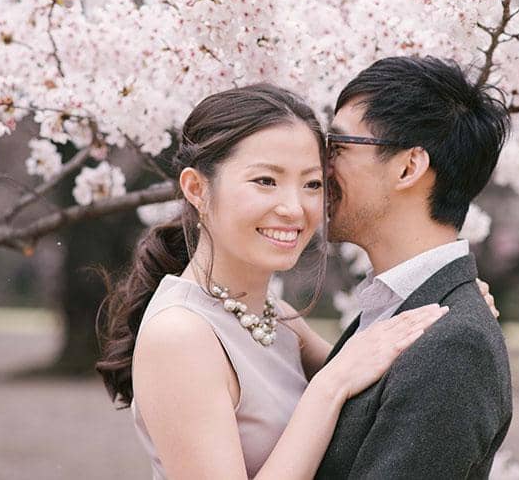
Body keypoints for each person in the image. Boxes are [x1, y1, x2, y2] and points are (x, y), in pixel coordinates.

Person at [96, 84, 451, 479]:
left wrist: (447, 303)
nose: (293, 208)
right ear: (197, 188)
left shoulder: (276, 317)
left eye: (312, 184)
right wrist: (327, 389)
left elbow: (374, 375)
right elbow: (341, 378)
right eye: (266, 181)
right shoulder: (180, 334)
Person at [314, 55, 514, 479]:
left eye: (339, 146)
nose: (321, 166)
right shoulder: (399, 307)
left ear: (408, 167)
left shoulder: (455, 346)